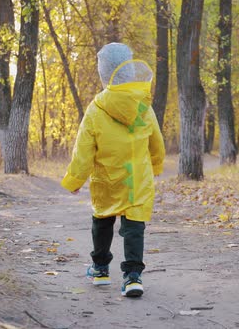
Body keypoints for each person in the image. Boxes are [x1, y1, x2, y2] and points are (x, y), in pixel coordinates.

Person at [60, 42, 165, 298]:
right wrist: (156, 164)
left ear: (104, 73)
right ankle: (132, 277)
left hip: (106, 179)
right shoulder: (143, 105)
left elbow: (83, 149)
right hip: (136, 179)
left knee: (102, 221)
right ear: (129, 70)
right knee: (134, 227)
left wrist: (75, 179)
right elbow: (156, 142)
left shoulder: (96, 109)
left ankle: (100, 269)